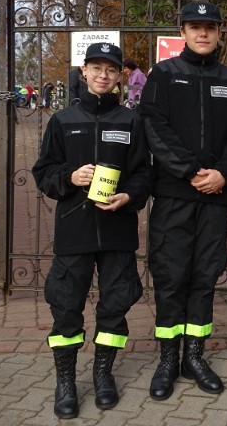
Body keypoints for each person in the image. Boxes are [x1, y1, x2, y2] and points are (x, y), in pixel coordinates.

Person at [32, 42, 153, 419]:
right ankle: (65, 381)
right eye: (96, 68)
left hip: (117, 230)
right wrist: (69, 176)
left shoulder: (130, 122)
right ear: (83, 72)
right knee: (66, 306)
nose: (103, 75)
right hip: (75, 230)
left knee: (115, 305)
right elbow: (44, 173)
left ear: (119, 76)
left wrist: (128, 196)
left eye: (111, 70)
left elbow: (144, 174)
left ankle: (103, 374)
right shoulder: (63, 121)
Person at [138, 1, 227, 401]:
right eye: (195, 27)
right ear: (182, 32)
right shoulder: (165, 75)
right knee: (171, 277)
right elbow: (154, 126)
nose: (203, 33)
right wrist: (188, 170)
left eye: (210, 27)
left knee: (205, 276)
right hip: (174, 194)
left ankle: (195, 357)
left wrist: (225, 173)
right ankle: (169, 359)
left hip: (216, 196)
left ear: (220, 33)